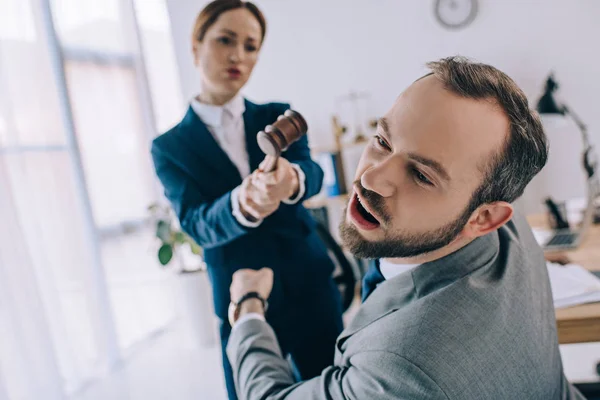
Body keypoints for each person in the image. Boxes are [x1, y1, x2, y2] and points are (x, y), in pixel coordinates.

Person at [225, 57, 586, 399]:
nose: (370, 177)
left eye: (421, 175)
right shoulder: (508, 228)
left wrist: (248, 308)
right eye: (382, 141)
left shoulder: (400, 372)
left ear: (484, 218)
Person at [150, 1, 343, 399]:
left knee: (331, 387)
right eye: (225, 40)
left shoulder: (278, 116)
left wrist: (291, 179)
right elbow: (197, 222)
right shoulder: (169, 147)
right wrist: (244, 203)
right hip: (240, 296)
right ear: (195, 45)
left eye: (251, 45)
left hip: (308, 283)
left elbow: (314, 174)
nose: (239, 55)